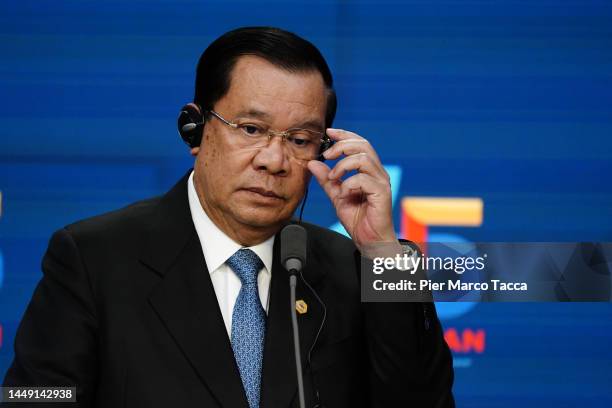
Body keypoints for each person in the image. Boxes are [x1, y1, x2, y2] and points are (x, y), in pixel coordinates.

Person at [2, 27, 454, 407]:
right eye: (252, 130)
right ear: (194, 129)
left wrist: (381, 251)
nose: (274, 160)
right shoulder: (94, 258)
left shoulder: (351, 269)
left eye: (299, 140)